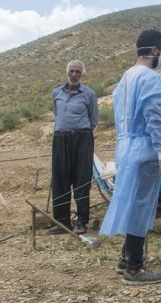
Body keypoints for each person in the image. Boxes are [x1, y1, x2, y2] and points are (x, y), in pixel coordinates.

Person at [99, 29, 161, 286]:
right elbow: (155, 119)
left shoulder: (125, 78)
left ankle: (126, 257)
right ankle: (134, 268)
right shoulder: (152, 78)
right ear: (154, 51)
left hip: (124, 147)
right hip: (144, 148)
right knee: (140, 206)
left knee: (129, 201)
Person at [49, 60, 98, 235]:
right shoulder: (56, 93)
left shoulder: (89, 94)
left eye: (78, 71)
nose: (74, 74)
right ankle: (61, 222)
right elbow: (57, 114)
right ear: (67, 72)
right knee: (60, 179)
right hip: (60, 138)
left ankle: (81, 222)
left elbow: (94, 120)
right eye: (71, 71)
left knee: (81, 180)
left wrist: (79, 132)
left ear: (82, 74)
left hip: (82, 138)